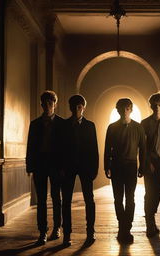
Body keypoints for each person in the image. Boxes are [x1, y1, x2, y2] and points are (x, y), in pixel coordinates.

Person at [104, 98, 146, 244]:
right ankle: (122, 225)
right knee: (118, 198)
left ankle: (126, 227)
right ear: (117, 110)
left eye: (127, 108)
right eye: (122, 108)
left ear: (131, 109)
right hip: (116, 166)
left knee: (130, 198)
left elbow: (143, 149)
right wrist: (106, 166)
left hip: (131, 166)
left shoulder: (138, 128)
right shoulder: (112, 127)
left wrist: (142, 167)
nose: (124, 111)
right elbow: (107, 149)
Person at [26, 90, 64, 245]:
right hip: (40, 164)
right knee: (41, 200)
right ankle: (42, 232)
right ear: (41, 104)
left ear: (55, 104)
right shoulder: (35, 124)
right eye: (45, 103)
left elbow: (65, 147)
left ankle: (57, 227)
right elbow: (30, 146)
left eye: (50, 103)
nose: (48, 106)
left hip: (56, 164)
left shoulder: (62, 124)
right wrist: (29, 165)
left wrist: (64, 166)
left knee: (56, 198)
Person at [61, 94, 99, 247]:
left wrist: (94, 170)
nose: (76, 109)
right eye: (74, 106)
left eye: (79, 106)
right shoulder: (63, 125)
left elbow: (94, 149)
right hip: (68, 167)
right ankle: (67, 235)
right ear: (70, 108)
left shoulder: (90, 126)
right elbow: (60, 149)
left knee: (89, 200)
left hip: (85, 167)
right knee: (66, 202)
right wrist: (61, 168)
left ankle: (90, 232)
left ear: (83, 108)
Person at [141, 92, 160, 238]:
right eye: (155, 105)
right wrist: (147, 163)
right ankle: (150, 223)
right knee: (149, 193)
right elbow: (142, 146)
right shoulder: (144, 123)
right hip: (150, 163)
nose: (157, 108)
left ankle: (151, 216)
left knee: (157, 193)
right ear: (151, 106)